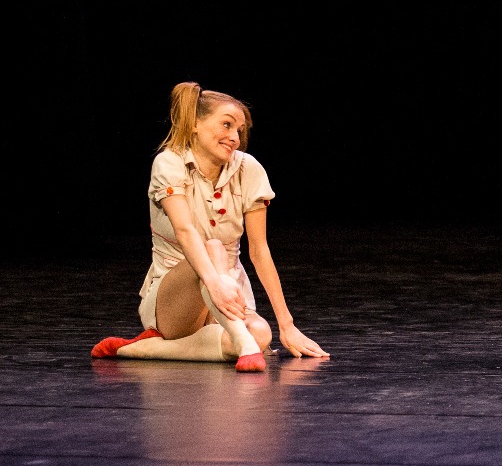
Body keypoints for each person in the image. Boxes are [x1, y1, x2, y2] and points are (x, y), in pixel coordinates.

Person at [91, 81, 329, 372]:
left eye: (240, 130)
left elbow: (259, 250)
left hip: (227, 296)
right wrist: (213, 282)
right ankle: (242, 342)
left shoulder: (249, 169)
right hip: (176, 301)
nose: (235, 138)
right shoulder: (170, 162)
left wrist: (287, 324)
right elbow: (185, 230)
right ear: (194, 124)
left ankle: (145, 349)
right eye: (227, 125)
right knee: (213, 247)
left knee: (262, 334)